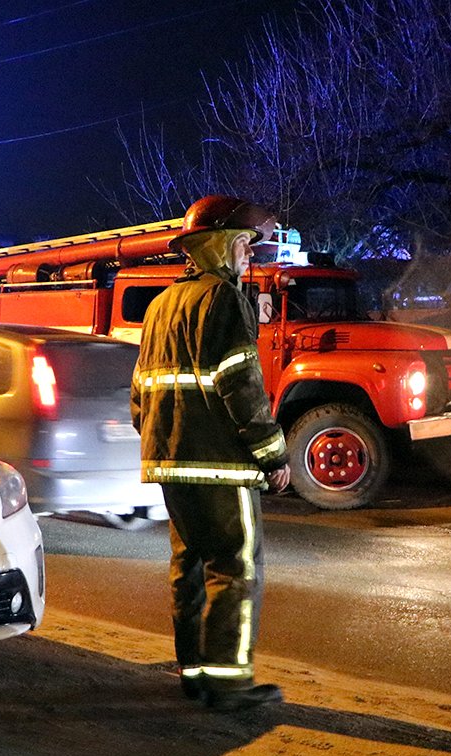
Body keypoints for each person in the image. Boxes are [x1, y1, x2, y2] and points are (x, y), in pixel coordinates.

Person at [130, 195, 292, 712]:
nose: (250, 255)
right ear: (222, 245)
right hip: (222, 465)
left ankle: (194, 673)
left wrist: (162, 443)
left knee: (190, 566)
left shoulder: (159, 307)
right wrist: (273, 455)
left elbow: (140, 395)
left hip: (170, 462)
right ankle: (228, 682)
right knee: (235, 566)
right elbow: (241, 386)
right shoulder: (225, 299)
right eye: (246, 243)